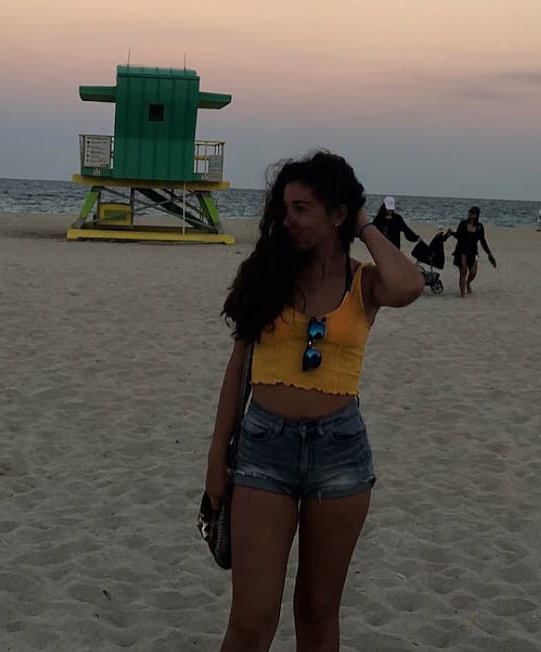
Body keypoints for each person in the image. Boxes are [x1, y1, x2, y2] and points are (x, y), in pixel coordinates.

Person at [207, 150, 424, 651]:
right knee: (252, 619)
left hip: (340, 455)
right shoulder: (267, 275)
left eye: (302, 208)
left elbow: (409, 284)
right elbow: (238, 366)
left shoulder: (364, 282)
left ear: (337, 214)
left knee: (318, 613)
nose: (288, 220)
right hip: (263, 450)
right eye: (285, 208)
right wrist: (217, 455)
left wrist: (365, 224)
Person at [449, 206, 496, 297]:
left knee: (473, 273)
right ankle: (462, 294)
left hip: (473, 252)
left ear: (476, 215)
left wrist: (489, 253)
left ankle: (468, 283)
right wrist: (451, 233)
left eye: (472, 212)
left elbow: (482, 241)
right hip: (462, 250)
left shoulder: (479, 227)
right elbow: (458, 236)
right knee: (463, 271)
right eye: (469, 212)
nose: (469, 214)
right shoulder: (463, 224)